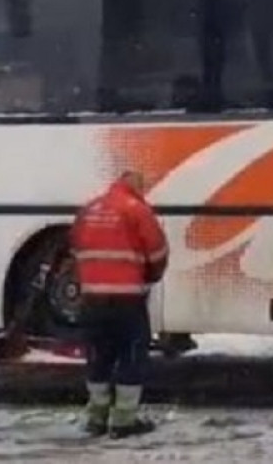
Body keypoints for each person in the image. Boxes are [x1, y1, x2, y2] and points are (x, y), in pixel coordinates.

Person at [69, 170, 169, 438]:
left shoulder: (89, 209)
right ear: (134, 185)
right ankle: (124, 421)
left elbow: (75, 247)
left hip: (92, 299)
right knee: (131, 356)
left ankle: (97, 418)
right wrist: (152, 274)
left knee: (99, 356)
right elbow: (157, 249)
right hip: (127, 300)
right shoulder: (136, 209)